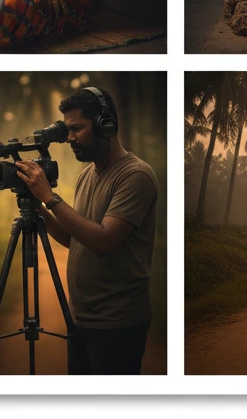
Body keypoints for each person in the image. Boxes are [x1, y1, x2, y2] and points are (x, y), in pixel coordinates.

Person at [14, 87, 158, 376]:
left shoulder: (136, 175)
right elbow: (77, 239)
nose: (69, 138)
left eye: (77, 128)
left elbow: (103, 240)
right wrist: (40, 210)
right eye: (67, 130)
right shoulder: (87, 174)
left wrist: (51, 198)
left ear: (107, 124)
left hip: (118, 324)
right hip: (80, 320)